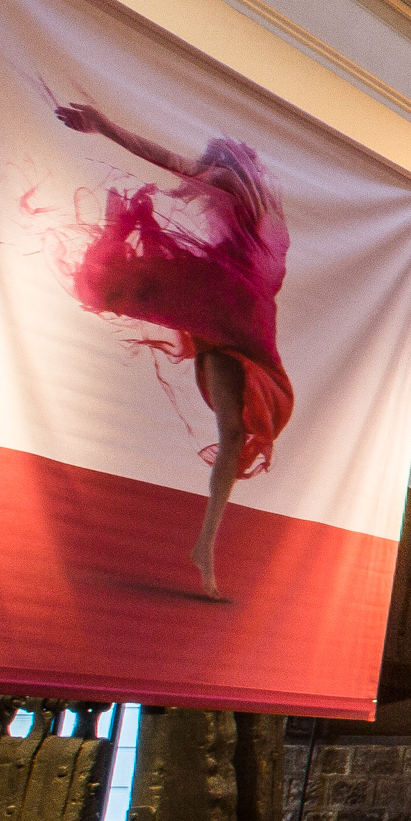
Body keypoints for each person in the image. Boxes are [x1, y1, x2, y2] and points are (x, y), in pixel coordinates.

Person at [45, 91, 294, 597]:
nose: (193, 179)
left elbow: (167, 160)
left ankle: (205, 544)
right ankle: (205, 544)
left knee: (237, 429)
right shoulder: (264, 205)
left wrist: (104, 125)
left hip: (228, 308)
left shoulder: (232, 185)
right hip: (239, 313)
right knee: (234, 431)